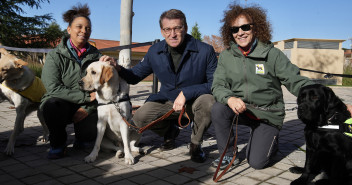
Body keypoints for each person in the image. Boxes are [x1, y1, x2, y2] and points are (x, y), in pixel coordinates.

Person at [210, 3, 315, 170]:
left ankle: (271, 141)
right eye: (235, 29)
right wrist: (229, 98)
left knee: (257, 163)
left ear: (255, 28)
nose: (240, 32)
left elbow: (296, 81)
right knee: (218, 108)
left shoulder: (272, 54)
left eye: (245, 27)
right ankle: (228, 154)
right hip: (243, 110)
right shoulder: (226, 56)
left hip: (267, 114)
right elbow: (218, 85)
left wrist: (329, 99)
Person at [106, 9, 217, 163]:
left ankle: (195, 144)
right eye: (168, 29)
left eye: (177, 28)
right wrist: (117, 67)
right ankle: (169, 132)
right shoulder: (154, 51)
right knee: (139, 118)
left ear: (185, 27)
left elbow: (214, 84)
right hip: (167, 100)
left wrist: (187, 93)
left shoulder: (205, 51)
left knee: (209, 102)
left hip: (195, 100)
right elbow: (134, 77)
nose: (173, 34)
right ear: (162, 31)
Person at [40, 4, 102, 159]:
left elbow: (104, 87)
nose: (84, 31)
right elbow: (53, 88)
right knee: (51, 106)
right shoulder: (55, 56)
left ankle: (82, 139)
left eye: (88, 28)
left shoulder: (96, 56)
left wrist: (87, 108)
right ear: (69, 30)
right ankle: (58, 144)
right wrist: (86, 98)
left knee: (88, 136)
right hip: (61, 102)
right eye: (79, 27)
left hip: (86, 105)